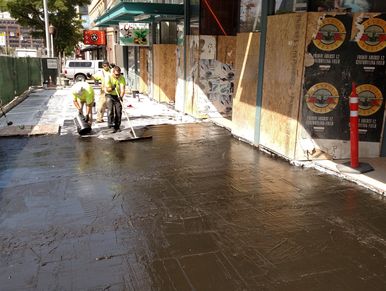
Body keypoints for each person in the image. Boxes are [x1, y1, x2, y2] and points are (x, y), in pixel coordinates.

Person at [105, 66, 126, 132]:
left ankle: (117, 126)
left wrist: (121, 96)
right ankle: (111, 126)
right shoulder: (108, 77)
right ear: (113, 73)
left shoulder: (121, 78)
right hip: (109, 95)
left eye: (119, 74)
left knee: (118, 111)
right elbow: (107, 90)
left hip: (117, 96)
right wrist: (112, 88)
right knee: (110, 110)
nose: (118, 76)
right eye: (116, 74)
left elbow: (122, 89)